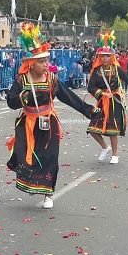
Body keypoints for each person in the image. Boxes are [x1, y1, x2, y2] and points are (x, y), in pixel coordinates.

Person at [6, 23, 93, 209]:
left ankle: (47, 192)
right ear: (31, 63)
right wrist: (22, 97)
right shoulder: (22, 80)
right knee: (25, 155)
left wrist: (88, 110)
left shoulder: (52, 79)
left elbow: (68, 97)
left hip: (48, 122)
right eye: (42, 61)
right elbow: (11, 101)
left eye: (47, 61)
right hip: (27, 124)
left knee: (50, 156)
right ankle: (31, 182)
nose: (46, 65)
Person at [87, 31, 128, 164]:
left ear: (111, 57)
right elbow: (91, 87)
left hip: (115, 102)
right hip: (102, 102)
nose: (105, 59)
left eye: (107, 56)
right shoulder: (96, 71)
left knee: (112, 130)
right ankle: (104, 147)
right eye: (102, 56)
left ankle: (115, 154)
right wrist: (101, 93)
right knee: (92, 128)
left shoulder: (116, 69)